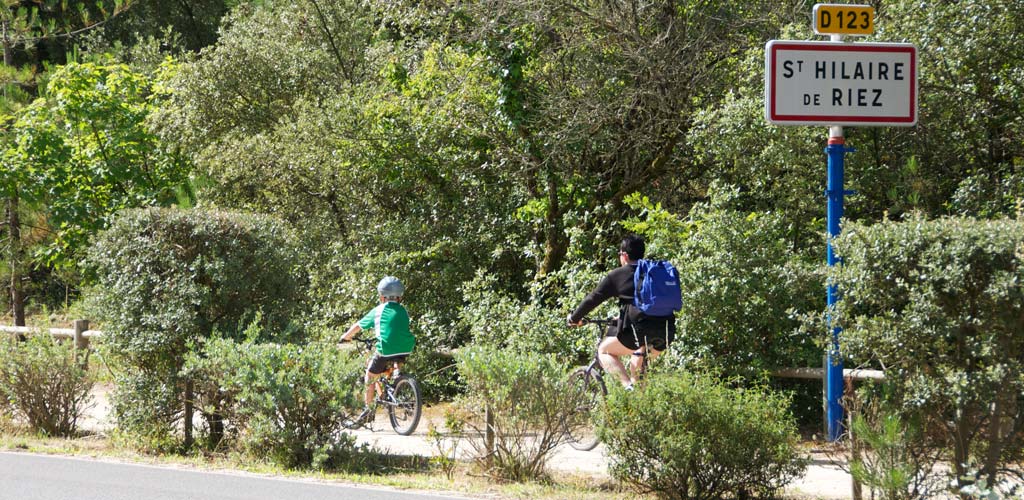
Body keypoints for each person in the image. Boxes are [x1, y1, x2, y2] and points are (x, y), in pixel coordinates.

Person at [567, 235, 675, 389]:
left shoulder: (618, 275)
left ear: (624, 255)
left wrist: (574, 318)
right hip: (666, 331)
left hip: (639, 330)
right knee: (638, 359)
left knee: (604, 350)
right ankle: (639, 403)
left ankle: (627, 389)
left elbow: (593, 298)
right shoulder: (654, 273)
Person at [340, 276, 416, 424]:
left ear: (382, 297)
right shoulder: (403, 311)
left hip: (386, 348)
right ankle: (397, 379)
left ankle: (368, 411)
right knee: (394, 360)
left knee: (370, 375)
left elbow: (358, 326)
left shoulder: (379, 310)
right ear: (399, 297)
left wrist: (346, 336)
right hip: (406, 347)